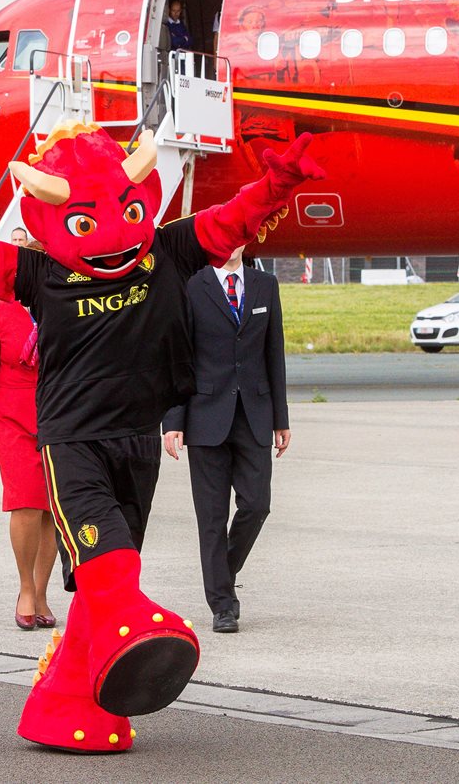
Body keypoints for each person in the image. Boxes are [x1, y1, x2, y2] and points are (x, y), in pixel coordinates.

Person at [0, 120, 320, 753]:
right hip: (72, 441)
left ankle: (65, 710)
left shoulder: (169, 251)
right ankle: (147, 637)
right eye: (84, 222)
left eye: (128, 210)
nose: (111, 235)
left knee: (103, 580)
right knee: (112, 567)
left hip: (139, 437)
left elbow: (233, 220)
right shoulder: (37, 273)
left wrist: (278, 184)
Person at [162, 245, 290, 634]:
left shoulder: (265, 285)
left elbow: (275, 354)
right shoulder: (191, 286)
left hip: (254, 414)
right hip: (205, 417)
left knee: (257, 505)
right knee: (212, 518)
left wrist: (281, 419)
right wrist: (173, 420)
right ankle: (222, 605)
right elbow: (177, 356)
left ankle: (222, 572)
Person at [0, 242, 56, 630]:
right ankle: (24, 588)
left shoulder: (65, 307)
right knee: (25, 501)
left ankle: (42, 590)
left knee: (53, 508)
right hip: (11, 417)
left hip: (58, 413)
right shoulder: (0, 310)